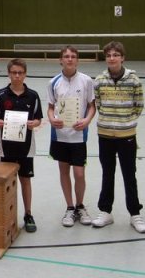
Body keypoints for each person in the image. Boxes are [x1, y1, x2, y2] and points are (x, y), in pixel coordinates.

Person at [92, 41, 145, 233]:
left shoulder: (134, 80)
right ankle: (105, 211)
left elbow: (138, 106)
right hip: (105, 135)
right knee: (107, 173)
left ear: (122, 58)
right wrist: (110, 121)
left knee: (129, 174)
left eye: (115, 55)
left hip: (127, 136)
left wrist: (125, 122)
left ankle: (135, 214)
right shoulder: (99, 80)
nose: (112, 58)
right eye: (108, 55)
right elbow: (99, 104)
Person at [0, 58, 43, 232]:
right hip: (6, 146)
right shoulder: (0, 95)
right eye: (14, 73)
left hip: (26, 147)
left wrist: (35, 124)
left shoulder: (33, 96)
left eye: (20, 73)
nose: (17, 76)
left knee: (25, 180)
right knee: (7, 181)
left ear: (25, 74)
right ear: (9, 74)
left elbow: (38, 118)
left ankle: (28, 214)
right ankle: (7, 215)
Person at [47, 46, 96, 227]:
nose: (69, 59)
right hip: (60, 135)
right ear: (60, 60)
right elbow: (50, 107)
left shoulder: (86, 81)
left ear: (77, 60)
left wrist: (87, 120)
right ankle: (69, 207)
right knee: (64, 171)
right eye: (66, 56)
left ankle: (80, 206)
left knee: (79, 173)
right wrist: (51, 119)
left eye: (73, 56)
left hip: (78, 135)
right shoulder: (53, 82)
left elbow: (92, 106)